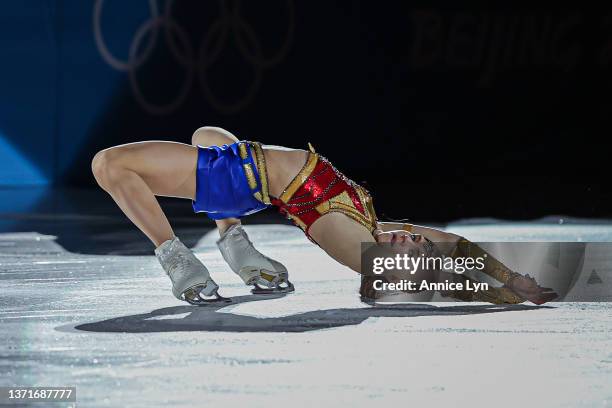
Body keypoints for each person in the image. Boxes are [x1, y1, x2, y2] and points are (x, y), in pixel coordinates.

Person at [91, 126, 557, 305]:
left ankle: (175, 256)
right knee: (206, 132)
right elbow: (455, 246)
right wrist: (510, 277)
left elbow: (437, 278)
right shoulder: (381, 227)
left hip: (234, 177)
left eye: (404, 255)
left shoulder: (356, 247)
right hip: (243, 174)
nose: (404, 243)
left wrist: (498, 298)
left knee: (109, 165)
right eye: (415, 242)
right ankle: (234, 239)